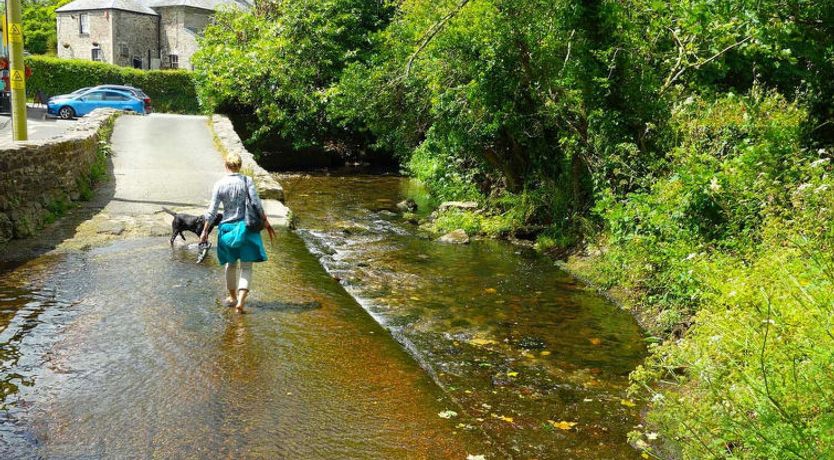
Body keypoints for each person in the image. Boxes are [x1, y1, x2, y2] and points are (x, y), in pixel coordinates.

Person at [201, 153, 276, 313]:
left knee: (231, 264)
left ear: (225, 165)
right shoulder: (247, 181)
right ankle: (241, 302)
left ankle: (232, 297)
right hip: (247, 228)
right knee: (247, 267)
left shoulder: (219, 184)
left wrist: (205, 230)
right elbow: (256, 203)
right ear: (240, 166)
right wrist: (266, 221)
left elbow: (212, 211)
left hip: (227, 229)